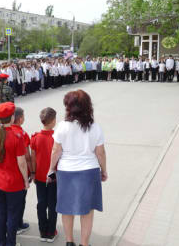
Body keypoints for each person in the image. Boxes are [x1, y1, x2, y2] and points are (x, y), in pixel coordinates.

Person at [48, 90, 107, 246]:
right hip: (89, 170)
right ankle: (84, 243)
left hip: (66, 171)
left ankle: (69, 241)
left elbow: (56, 151)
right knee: (87, 210)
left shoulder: (62, 126)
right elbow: (100, 153)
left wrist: (51, 169)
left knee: (67, 208)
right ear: (88, 106)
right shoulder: (95, 127)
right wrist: (104, 170)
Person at [0, 102, 29, 246]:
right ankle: (11, 243)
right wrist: (26, 180)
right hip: (13, 183)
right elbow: (22, 163)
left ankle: (2, 243)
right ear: (12, 118)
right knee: (12, 215)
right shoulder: (17, 137)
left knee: (0, 215)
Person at [30, 107, 58, 242]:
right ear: (52, 121)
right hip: (54, 176)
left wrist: (33, 172)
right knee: (53, 204)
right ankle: (51, 231)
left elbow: (33, 157)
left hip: (40, 176)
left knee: (41, 203)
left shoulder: (35, 137)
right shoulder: (56, 138)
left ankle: (43, 230)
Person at [11, 107, 32, 235]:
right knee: (19, 201)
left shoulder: (3, 131)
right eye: (23, 116)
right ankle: (17, 224)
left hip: (6, 172)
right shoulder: (22, 134)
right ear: (19, 119)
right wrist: (31, 171)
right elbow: (27, 156)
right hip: (19, 172)